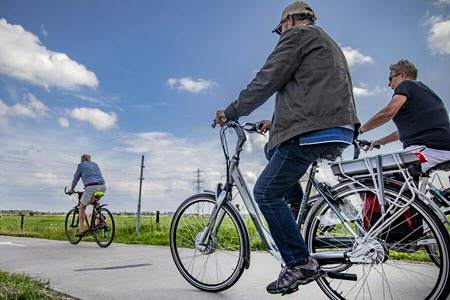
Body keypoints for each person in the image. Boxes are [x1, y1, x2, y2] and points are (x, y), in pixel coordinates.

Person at [215, 1, 359, 295]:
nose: (279, 34)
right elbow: (313, 90)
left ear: (291, 20)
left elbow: (267, 79)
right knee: (272, 152)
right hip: (337, 126)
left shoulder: (297, 36)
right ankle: (298, 214)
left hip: (313, 129)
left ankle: (298, 263)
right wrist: (276, 121)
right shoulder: (327, 42)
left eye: (279, 29)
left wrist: (231, 112)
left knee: (265, 193)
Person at [359, 59, 450, 172]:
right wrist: (379, 142)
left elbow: (388, 112)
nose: (389, 84)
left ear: (402, 75)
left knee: (385, 173)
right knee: (403, 181)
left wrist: (360, 130)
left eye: (390, 78)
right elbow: (401, 133)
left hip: (429, 148)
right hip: (440, 147)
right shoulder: (423, 92)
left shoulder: (407, 85)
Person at [68, 154, 106, 237]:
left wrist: (71, 189)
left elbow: (76, 178)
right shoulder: (95, 164)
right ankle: (101, 220)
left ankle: (81, 231)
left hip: (91, 187)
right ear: (89, 160)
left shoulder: (80, 165)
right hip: (102, 186)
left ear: (82, 160)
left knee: (81, 207)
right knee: (94, 203)